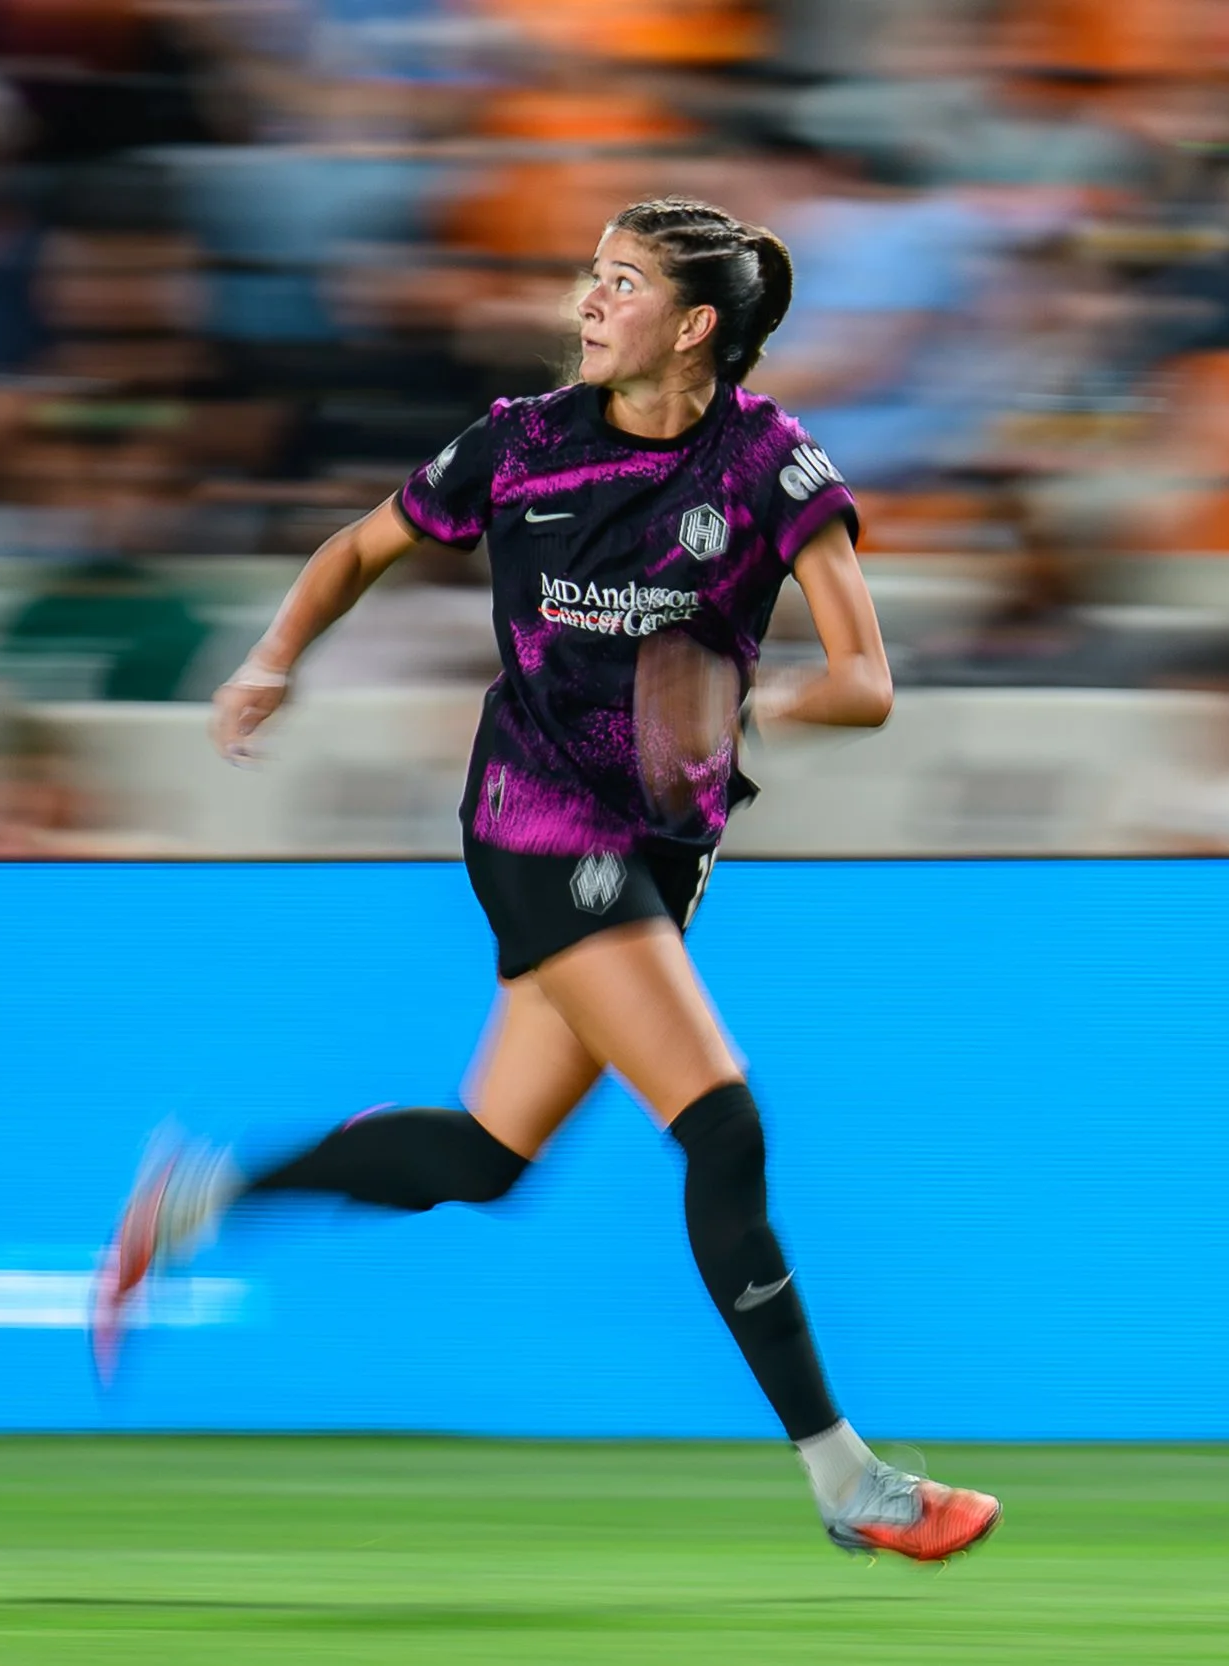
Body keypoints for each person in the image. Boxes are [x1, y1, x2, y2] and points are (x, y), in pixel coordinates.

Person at [91, 197, 999, 1563]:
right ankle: (849, 1477)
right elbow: (360, 549)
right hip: (531, 826)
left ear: (695, 328)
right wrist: (272, 656)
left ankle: (206, 1194)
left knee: (483, 1154)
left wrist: (747, 711)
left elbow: (868, 682)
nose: (587, 299)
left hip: (655, 857)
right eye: (592, 273)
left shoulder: (774, 468)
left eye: (620, 282)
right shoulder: (517, 444)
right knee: (724, 1128)